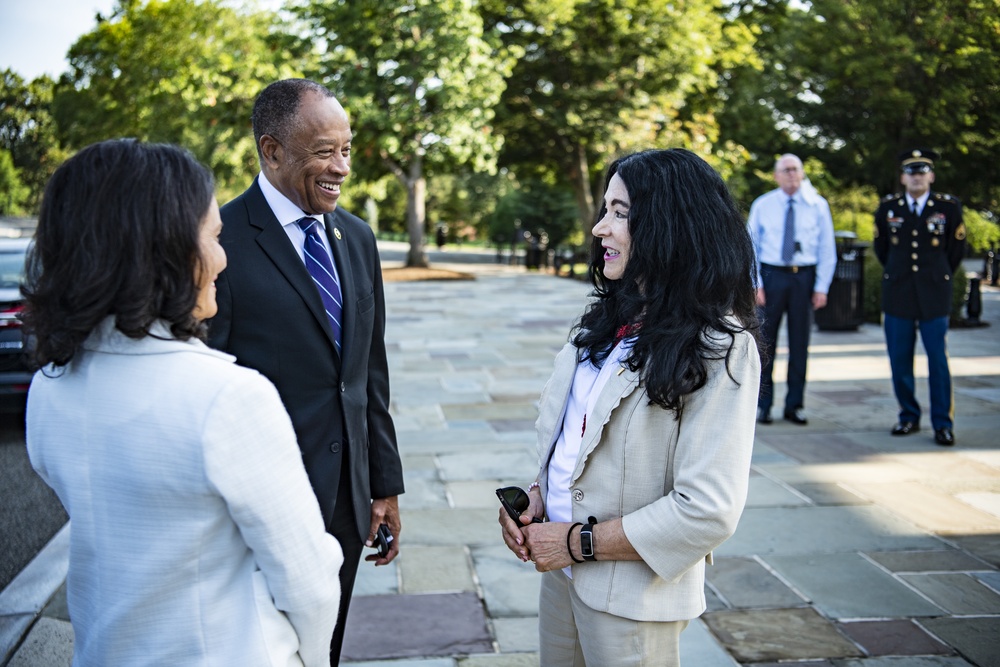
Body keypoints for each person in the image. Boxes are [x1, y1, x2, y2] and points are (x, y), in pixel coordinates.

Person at [23, 139, 343, 666]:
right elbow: (307, 578)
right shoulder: (227, 398)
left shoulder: (51, 385)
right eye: (214, 237)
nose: (222, 258)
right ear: (166, 250)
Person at [498, 149, 760, 666]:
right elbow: (579, 439)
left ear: (668, 226)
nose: (600, 228)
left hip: (630, 598)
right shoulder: (608, 321)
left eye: (621, 213)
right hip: (563, 578)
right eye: (605, 209)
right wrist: (538, 498)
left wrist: (577, 542)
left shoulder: (719, 346)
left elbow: (707, 509)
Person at [207, 78, 404, 663]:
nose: (341, 167)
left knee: (325, 649)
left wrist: (384, 483)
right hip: (261, 504)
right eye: (324, 151)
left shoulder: (359, 239)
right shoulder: (220, 241)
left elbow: (369, 371)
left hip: (347, 501)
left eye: (346, 149)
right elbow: (206, 381)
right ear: (271, 151)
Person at [873, 148, 965, 446]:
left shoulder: (948, 208)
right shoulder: (889, 208)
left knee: (937, 360)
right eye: (911, 172)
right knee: (900, 360)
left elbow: (955, 251)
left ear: (931, 176)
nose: (917, 177)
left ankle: (942, 423)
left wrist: (939, 274)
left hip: (934, 293)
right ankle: (908, 416)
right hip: (898, 292)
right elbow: (882, 249)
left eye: (922, 171)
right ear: (903, 177)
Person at [747, 153, 836, 425]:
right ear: (776, 175)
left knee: (800, 345)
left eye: (795, 169)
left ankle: (795, 405)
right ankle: (763, 404)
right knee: (765, 344)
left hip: (803, 279)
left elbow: (826, 248)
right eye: (785, 170)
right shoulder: (764, 205)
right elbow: (751, 246)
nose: (791, 174)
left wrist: (821, 287)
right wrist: (755, 283)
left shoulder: (817, 205)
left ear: (802, 172)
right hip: (772, 277)